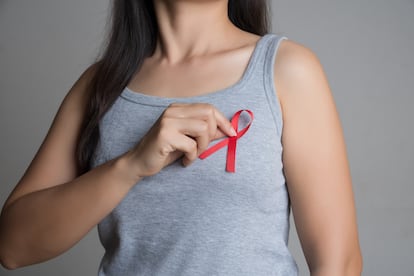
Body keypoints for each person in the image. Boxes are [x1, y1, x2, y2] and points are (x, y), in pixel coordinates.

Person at [0, 0, 362, 275]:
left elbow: (339, 263)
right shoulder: (100, 88)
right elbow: (12, 246)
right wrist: (130, 166)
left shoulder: (286, 69)